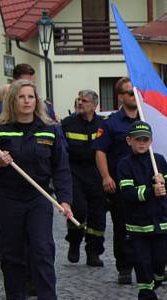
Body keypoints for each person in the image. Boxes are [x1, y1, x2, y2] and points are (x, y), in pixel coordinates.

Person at [0, 79, 72, 300]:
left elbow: (61, 168)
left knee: (42, 251)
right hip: (8, 198)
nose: (27, 101)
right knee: (12, 255)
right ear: (13, 101)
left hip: (39, 197)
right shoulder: (1, 130)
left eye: (31, 97)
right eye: (21, 97)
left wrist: (65, 199)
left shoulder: (49, 129)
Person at [117, 121, 167, 300]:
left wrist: (164, 181)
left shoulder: (158, 160)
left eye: (145, 139)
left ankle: (157, 278)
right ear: (129, 141)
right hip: (137, 225)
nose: (141, 143)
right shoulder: (124, 164)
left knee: (163, 256)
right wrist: (151, 191)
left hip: (159, 221)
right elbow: (127, 192)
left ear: (151, 141)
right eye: (137, 140)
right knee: (142, 263)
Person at [94, 78, 140, 285]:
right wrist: (106, 177)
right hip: (120, 184)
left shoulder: (147, 118)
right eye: (130, 93)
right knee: (122, 226)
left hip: (145, 182)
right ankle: (124, 267)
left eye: (136, 92)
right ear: (121, 97)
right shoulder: (110, 123)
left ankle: (150, 264)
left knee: (148, 223)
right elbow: (100, 151)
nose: (134, 96)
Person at [61, 89, 107, 267]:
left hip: (97, 173)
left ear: (95, 105)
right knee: (78, 210)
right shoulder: (68, 123)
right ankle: (74, 241)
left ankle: (94, 252)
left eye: (85, 101)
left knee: (98, 215)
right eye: (78, 100)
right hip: (74, 173)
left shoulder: (103, 124)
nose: (80, 103)